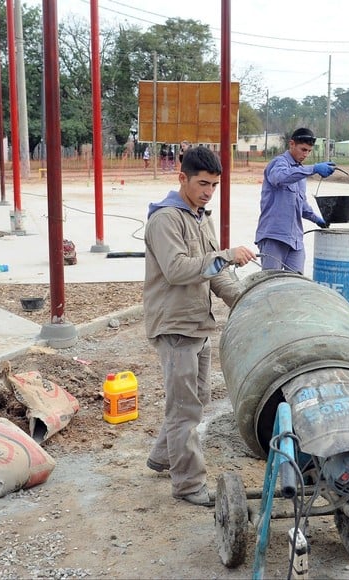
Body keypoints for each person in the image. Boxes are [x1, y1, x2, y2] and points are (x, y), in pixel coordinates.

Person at [143, 145, 256, 505]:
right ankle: (189, 485)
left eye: (215, 185)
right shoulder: (166, 220)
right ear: (183, 179)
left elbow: (213, 274)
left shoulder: (198, 216)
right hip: (175, 327)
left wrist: (244, 301)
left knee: (196, 398)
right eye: (203, 183)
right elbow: (177, 270)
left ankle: (163, 456)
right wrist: (225, 254)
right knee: (185, 409)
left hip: (197, 325)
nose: (209, 191)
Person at [254, 127, 334, 273]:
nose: (306, 154)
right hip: (274, 236)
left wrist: (317, 219)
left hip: (295, 240)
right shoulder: (279, 163)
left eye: (309, 151)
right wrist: (313, 169)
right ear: (292, 144)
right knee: (273, 282)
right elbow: (280, 177)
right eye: (303, 149)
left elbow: (301, 204)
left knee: (297, 285)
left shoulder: (300, 173)